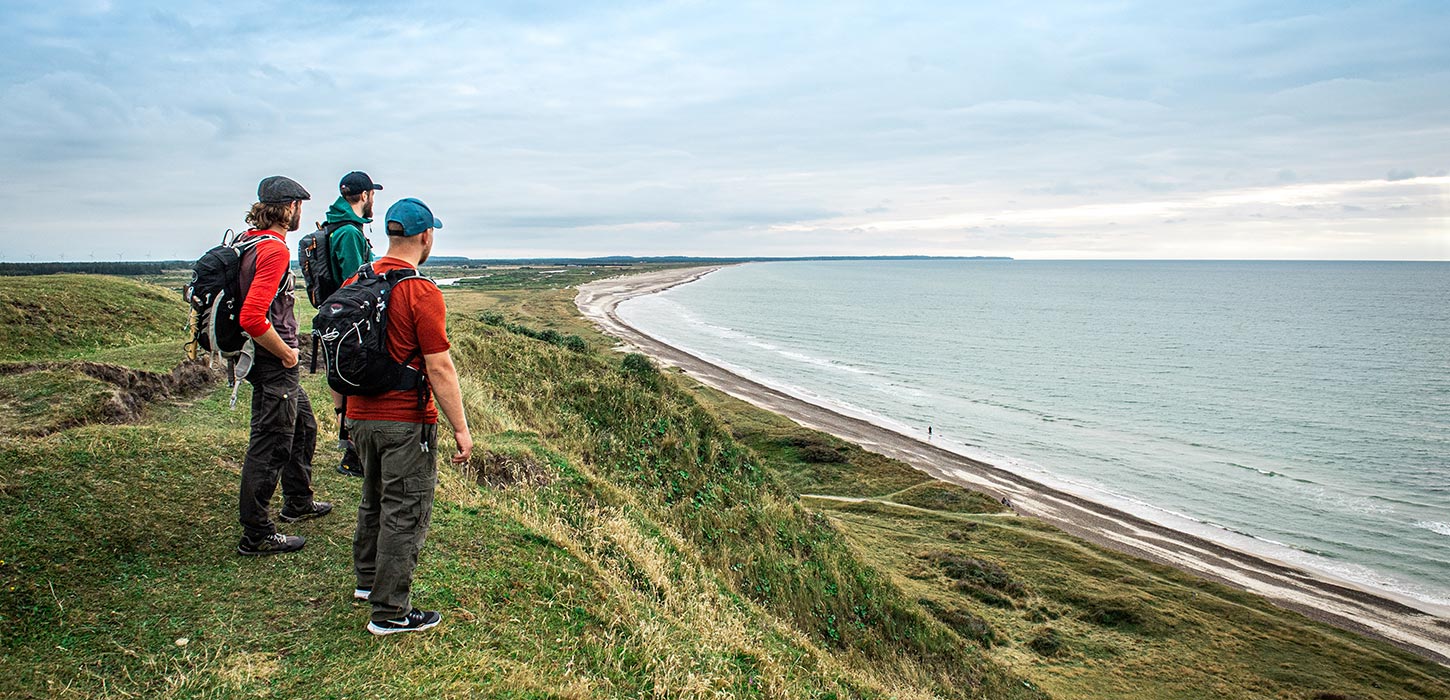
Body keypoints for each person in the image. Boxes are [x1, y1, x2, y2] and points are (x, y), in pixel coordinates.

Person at [344, 197, 473, 635]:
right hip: (404, 419)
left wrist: (343, 411)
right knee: (405, 509)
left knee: (374, 497)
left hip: (359, 415)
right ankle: (390, 612)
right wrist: (460, 428)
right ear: (425, 236)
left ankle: (367, 583)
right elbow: (439, 366)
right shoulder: (420, 291)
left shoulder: (357, 279)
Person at [235, 175, 332, 555]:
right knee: (271, 442)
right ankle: (257, 532)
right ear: (289, 207)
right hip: (275, 361)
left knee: (303, 425)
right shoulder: (273, 249)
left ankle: (298, 500)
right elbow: (251, 317)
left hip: (266, 359)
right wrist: (288, 354)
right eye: (299, 207)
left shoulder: (249, 240)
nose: (300, 214)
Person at [326, 171, 383, 478]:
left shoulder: (339, 225)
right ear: (364, 196)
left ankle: (354, 451)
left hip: (339, 316)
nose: (373, 200)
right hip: (349, 319)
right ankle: (353, 454)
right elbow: (354, 280)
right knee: (355, 380)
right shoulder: (349, 232)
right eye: (372, 194)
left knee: (347, 379)